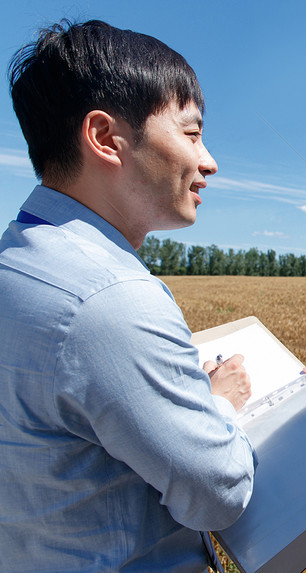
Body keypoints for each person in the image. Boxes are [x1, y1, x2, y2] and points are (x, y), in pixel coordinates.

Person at [0, 20, 256, 572]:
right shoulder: (109, 297)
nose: (208, 161)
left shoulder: (17, 264)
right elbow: (218, 493)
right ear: (105, 138)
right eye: (191, 134)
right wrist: (221, 405)